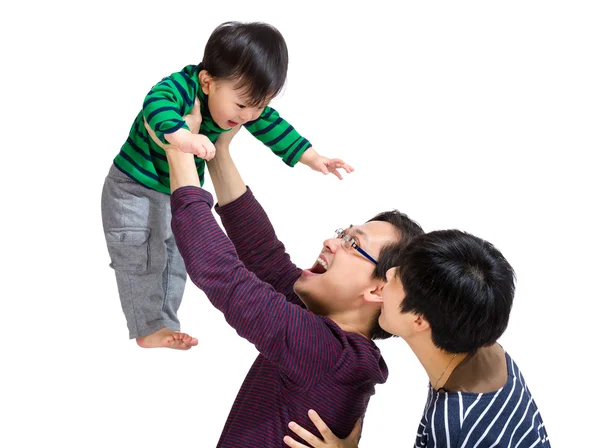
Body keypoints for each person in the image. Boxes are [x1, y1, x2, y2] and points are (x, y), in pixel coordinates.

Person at [151, 113, 424, 446]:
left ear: (378, 289)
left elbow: (222, 275)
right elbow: (264, 256)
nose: (331, 242)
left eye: (353, 244)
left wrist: (178, 153)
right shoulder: (330, 338)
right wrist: (220, 150)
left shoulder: (328, 355)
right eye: (343, 233)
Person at [101, 21, 348, 349]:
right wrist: (183, 136)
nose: (248, 116)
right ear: (207, 82)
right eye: (242, 105)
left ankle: (165, 322)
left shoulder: (247, 108)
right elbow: (155, 104)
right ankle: (148, 326)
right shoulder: (181, 88)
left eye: (258, 106)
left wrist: (313, 157)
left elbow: (275, 127)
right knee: (141, 257)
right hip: (133, 188)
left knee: (176, 258)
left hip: (171, 194)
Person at [282, 231, 551, 447]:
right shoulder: (487, 350)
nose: (387, 273)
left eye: (398, 278)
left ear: (419, 319)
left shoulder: (453, 426)